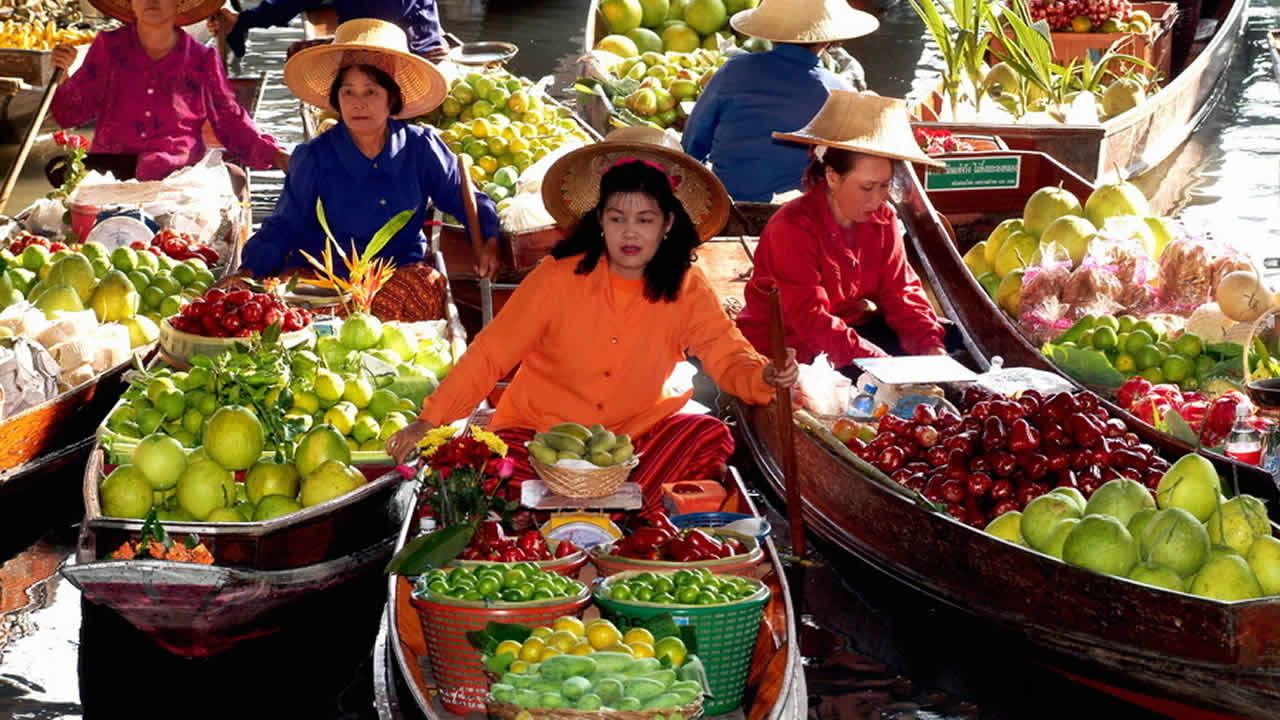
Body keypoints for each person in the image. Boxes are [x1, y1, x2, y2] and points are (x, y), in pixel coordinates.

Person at [387, 128, 800, 511]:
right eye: (617, 218)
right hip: (541, 437)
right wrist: (431, 419)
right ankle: (624, 514)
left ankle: (625, 517)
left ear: (667, 225)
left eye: (645, 220)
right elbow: (491, 354)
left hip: (635, 439)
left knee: (709, 437)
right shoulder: (556, 276)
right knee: (493, 469)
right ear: (600, 222)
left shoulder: (686, 286)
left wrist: (763, 377)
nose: (630, 234)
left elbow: (727, 354)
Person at [240, 19, 500, 283]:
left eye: (371, 92)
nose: (358, 104)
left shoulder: (422, 147)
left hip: (397, 275)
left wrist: (490, 239)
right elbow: (284, 224)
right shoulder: (314, 157)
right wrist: (249, 271)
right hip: (326, 279)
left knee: (427, 285)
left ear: (392, 98)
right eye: (348, 92)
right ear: (336, 99)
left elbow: (463, 196)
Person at [735, 90, 949, 373]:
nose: (877, 200)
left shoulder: (883, 220)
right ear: (832, 177)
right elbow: (811, 320)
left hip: (846, 334)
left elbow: (901, 292)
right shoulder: (790, 229)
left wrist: (931, 347)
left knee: (949, 338)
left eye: (885, 186)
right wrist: (882, 366)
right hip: (788, 350)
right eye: (867, 188)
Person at [48, 0, 287, 194]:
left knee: (233, 181)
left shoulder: (202, 59)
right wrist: (64, 75)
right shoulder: (108, 47)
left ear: (178, 3)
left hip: (178, 176)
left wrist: (275, 155)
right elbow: (71, 113)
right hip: (111, 173)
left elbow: (229, 119)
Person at [681, 0, 879, 202]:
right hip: (798, 213)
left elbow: (693, 143)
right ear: (827, 41)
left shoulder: (733, 71)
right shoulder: (840, 92)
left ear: (771, 34)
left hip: (728, 205)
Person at [208, 0, 448, 62]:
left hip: (420, 56)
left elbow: (389, 16)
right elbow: (287, 6)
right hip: (364, 49)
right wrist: (244, 19)